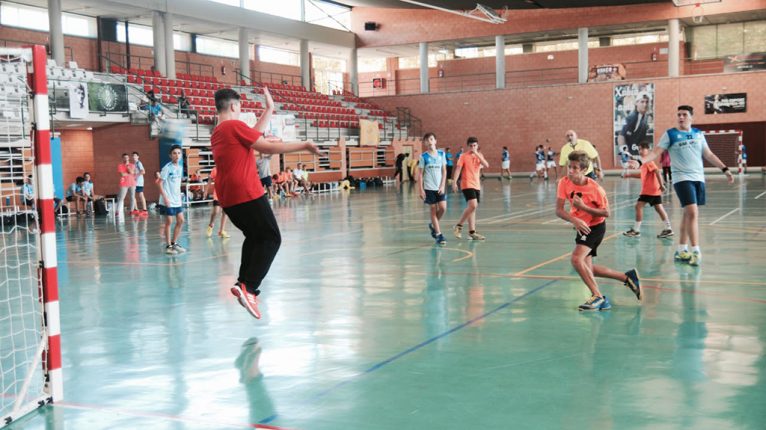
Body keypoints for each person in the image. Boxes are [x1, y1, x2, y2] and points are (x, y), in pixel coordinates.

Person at [211, 87, 320, 320]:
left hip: (228, 198)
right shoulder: (233, 126)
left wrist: (269, 110)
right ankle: (249, 287)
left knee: (255, 236)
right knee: (272, 238)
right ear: (233, 106)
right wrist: (304, 144)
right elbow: (266, 146)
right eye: (240, 107)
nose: (240, 111)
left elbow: (253, 137)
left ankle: (243, 284)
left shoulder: (220, 131)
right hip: (246, 192)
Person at [629, 105, 734, 266]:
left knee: (687, 214)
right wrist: (639, 161)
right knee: (693, 212)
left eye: (684, 114)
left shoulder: (698, 134)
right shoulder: (670, 134)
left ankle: (681, 250)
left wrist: (724, 169)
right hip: (682, 178)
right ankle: (696, 251)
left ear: (691, 117)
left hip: (698, 178)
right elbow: (656, 152)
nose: (681, 117)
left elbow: (709, 154)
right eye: (679, 114)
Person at [556, 151, 641, 311]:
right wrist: (574, 219)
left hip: (595, 227)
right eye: (570, 167)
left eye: (575, 168)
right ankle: (627, 277)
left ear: (583, 169)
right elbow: (559, 210)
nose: (571, 170)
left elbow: (606, 213)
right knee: (588, 269)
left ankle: (598, 297)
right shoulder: (564, 182)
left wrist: (584, 208)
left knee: (576, 260)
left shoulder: (595, 188)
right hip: (581, 227)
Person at [622, 142, 673, 239]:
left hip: (649, 190)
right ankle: (668, 228)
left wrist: (662, 184)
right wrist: (630, 175)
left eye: (642, 149)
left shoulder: (648, 161)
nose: (640, 151)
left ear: (648, 150)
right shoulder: (644, 162)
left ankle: (636, 230)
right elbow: (642, 175)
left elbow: (657, 171)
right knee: (659, 208)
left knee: (638, 206)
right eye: (639, 149)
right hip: (654, 190)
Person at [451, 137, 489, 241]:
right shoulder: (463, 156)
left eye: (474, 145)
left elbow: (486, 165)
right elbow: (458, 169)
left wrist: (476, 154)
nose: (473, 147)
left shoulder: (479, 156)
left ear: (477, 146)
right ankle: (458, 226)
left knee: (473, 208)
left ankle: (472, 232)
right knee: (473, 205)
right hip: (467, 184)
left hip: (476, 185)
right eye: (471, 146)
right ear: (468, 146)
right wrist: (454, 182)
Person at [417, 132, 447, 246]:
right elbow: (420, 174)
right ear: (425, 143)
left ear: (435, 141)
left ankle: (433, 225)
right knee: (433, 210)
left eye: (431, 139)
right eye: (426, 140)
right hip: (429, 187)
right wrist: (421, 189)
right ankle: (439, 235)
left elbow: (444, 171)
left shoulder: (441, 154)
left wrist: (443, 185)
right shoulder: (423, 157)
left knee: (443, 208)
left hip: (440, 186)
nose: (429, 141)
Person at [157, 145, 185, 255]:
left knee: (181, 220)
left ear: (181, 155)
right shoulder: (167, 168)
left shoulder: (180, 167)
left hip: (177, 200)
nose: (177, 155)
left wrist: (180, 196)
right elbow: (159, 183)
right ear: (170, 155)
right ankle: (168, 246)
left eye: (179, 153)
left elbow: (176, 184)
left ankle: (174, 243)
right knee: (169, 222)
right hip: (167, 199)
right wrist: (165, 198)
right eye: (174, 153)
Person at [206, 167, 229, 238]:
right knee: (216, 211)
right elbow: (209, 180)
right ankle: (211, 225)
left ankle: (222, 231)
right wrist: (206, 191)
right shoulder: (215, 169)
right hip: (217, 194)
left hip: (226, 193)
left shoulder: (228, 168)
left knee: (225, 212)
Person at [132, 152, 148, 216]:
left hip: (139, 182)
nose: (134, 157)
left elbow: (143, 171)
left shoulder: (139, 163)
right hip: (135, 182)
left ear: (138, 157)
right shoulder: (135, 164)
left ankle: (145, 210)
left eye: (135, 156)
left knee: (140, 195)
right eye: (133, 156)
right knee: (132, 195)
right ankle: (136, 209)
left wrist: (136, 176)